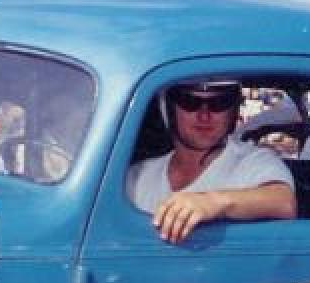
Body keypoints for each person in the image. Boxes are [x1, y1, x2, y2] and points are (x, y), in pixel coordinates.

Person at [126, 80, 296, 244]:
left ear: (233, 110)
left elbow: (283, 202)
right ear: (168, 109)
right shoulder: (137, 176)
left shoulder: (253, 161)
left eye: (219, 103)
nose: (204, 116)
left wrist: (212, 202)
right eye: (190, 102)